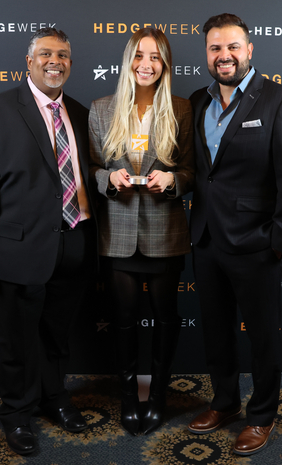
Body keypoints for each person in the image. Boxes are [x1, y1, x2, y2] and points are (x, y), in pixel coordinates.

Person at [0, 27, 96, 456]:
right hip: (15, 250)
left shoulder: (79, 110)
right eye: (45, 54)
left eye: (63, 55)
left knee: (57, 336)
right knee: (16, 341)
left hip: (73, 244)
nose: (55, 61)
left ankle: (55, 398)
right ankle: (17, 414)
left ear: (71, 63)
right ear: (29, 61)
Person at [187, 14, 282, 456]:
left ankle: (262, 416)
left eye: (233, 47)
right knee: (216, 332)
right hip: (206, 240)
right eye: (215, 48)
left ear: (250, 50)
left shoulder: (280, 101)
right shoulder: (197, 102)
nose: (224, 56)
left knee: (263, 337)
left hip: (257, 244)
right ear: (207, 54)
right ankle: (224, 402)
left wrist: (279, 241)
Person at [89, 28, 194, 436]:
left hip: (165, 232)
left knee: (167, 318)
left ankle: (160, 395)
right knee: (124, 320)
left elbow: (191, 172)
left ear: (164, 65)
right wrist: (107, 178)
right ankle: (130, 397)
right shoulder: (101, 109)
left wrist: (173, 182)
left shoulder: (182, 109)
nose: (145, 64)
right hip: (117, 233)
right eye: (138, 56)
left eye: (154, 57)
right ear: (127, 61)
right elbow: (93, 169)